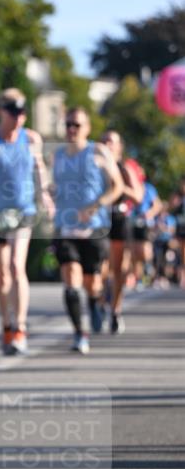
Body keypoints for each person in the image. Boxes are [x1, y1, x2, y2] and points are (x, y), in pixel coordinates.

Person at [0, 88, 53, 355]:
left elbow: (40, 170)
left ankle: (20, 327)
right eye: (13, 112)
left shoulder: (30, 139)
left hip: (23, 211)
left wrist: (46, 197)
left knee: (17, 266)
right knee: (1, 274)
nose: (18, 118)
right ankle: (6, 323)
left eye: (22, 112)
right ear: (1, 111)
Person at [52, 108, 123, 354]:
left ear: (87, 128)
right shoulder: (58, 155)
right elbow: (52, 187)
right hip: (65, 226)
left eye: (77, 125)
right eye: (68, 124)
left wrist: (96, 205)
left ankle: (95, 302)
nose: (72, 129)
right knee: (71, 278)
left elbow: (117, 186)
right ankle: (79, 333)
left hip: (93, 228)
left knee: (91, 283)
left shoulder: (99, 152)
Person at [98, 131, 144, 333]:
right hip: (98, 219)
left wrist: (120, 187)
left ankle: (115, 310)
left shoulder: (124, 167)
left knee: (118, 269)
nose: (107, 144)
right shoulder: (94, 166)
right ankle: (99, 304)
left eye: (111, 141)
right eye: (104, 140)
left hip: (118, 218)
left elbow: (138, 197)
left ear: (119, 147)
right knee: (99, 267)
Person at [130, 180, 161, 288]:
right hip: (132, 223)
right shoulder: (129, 185)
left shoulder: (149, 188)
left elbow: (157, 205)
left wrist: (149, 213)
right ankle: (138, 278)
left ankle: (150, 271)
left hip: (146, 224)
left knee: (145, 252)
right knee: (135, 253)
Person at [168, 175, 185, 288]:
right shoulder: (178, 197)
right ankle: (182, 277)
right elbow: (171, 208)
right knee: (181, 254)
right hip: (180, 229)